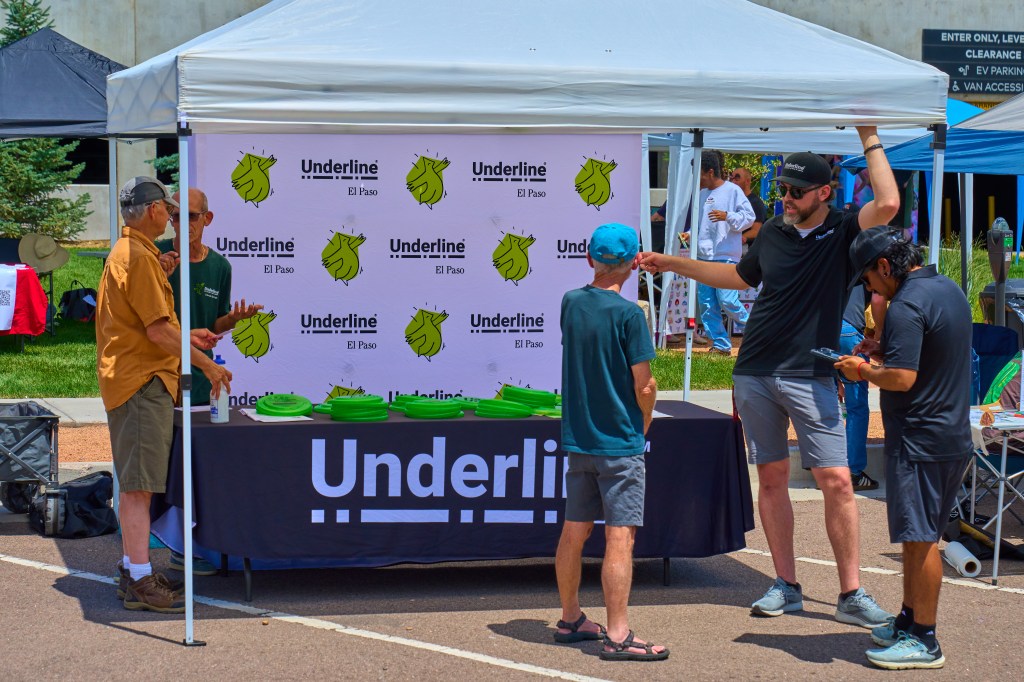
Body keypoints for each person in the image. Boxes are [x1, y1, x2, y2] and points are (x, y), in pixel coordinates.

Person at [638, 127, 898, 629]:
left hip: (810, 373)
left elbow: (887, 203)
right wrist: (673, 263)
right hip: (755, 370)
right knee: (773, 478)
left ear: (824, 193)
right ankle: (786, 584)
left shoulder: (845, 229)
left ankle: (851, 593)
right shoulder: (774, 231)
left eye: (796, 191)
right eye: (782, 189)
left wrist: (868, 134)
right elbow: (738, 277)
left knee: (837, 481)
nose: (786, 199)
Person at [836, 227, 972, 670]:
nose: (869, 288)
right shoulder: (945, 288)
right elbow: (932, 352)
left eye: (868, 279)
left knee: (920, 538)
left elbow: (902, 378)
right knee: (919, 536)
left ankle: (925, 639)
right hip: (946, 434)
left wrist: (861, 370)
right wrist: (883, 349)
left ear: (883, 265)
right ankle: (910, 621)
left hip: (920, 438)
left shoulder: (907, 304)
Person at [96, 176, 232, 613]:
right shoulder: (138, 257)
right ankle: (140, 578)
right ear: (155, 211)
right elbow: (156, 332)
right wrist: (206, 364)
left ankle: (131, 571)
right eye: (170, 210)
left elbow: (147, 326)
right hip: (142, 381)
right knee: (139, 488)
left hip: (136, 378)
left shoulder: (133, 252)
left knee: (137, 485)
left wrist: (188, 337)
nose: (173, 218)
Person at [553, 223, 667, 662]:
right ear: (634, 263)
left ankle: (570, 618)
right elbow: (645, 384)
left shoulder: (571, 302)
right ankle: (618, 635)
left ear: (589, 258)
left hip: (580, 439)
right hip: (619, 441)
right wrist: (645, 421)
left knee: (574, 530)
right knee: (620, 538)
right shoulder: (629, 315)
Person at [156, 187, 263, 406]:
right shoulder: (155, 255)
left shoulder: (220, 266)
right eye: (177, 217)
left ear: (208, 218)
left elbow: (213, 328)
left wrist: (233, 319)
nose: (184, 223)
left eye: (192, 216)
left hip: (201, 374)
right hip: (160, 374)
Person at [694, 150, 755, 355]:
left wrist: (727, 216)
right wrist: (689, 235)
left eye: (699, 173)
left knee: (727, 300)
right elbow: (701, 225)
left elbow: (749, 218)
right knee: (707, 304)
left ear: (710, 172)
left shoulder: (733, 191)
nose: (696, 178)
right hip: (704, 256)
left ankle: (757, 332)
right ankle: (720, 345)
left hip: (726, 256)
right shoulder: (701, 194)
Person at [837, 284, 887, 490]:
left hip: (818, 328)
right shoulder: (865, 266)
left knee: (824, 400)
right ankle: (853, 472)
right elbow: (878, 298)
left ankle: (824, 467)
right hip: (848, 329)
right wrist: (879, 333)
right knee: (856, 407)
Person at [729, 167, 767, 245]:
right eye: (732, 178)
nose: (733, 181)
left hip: (744, 248)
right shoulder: (730, 200)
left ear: (747, 181)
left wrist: (736, 240)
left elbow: (756, 230)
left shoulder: (755, 203)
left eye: (737, 178)